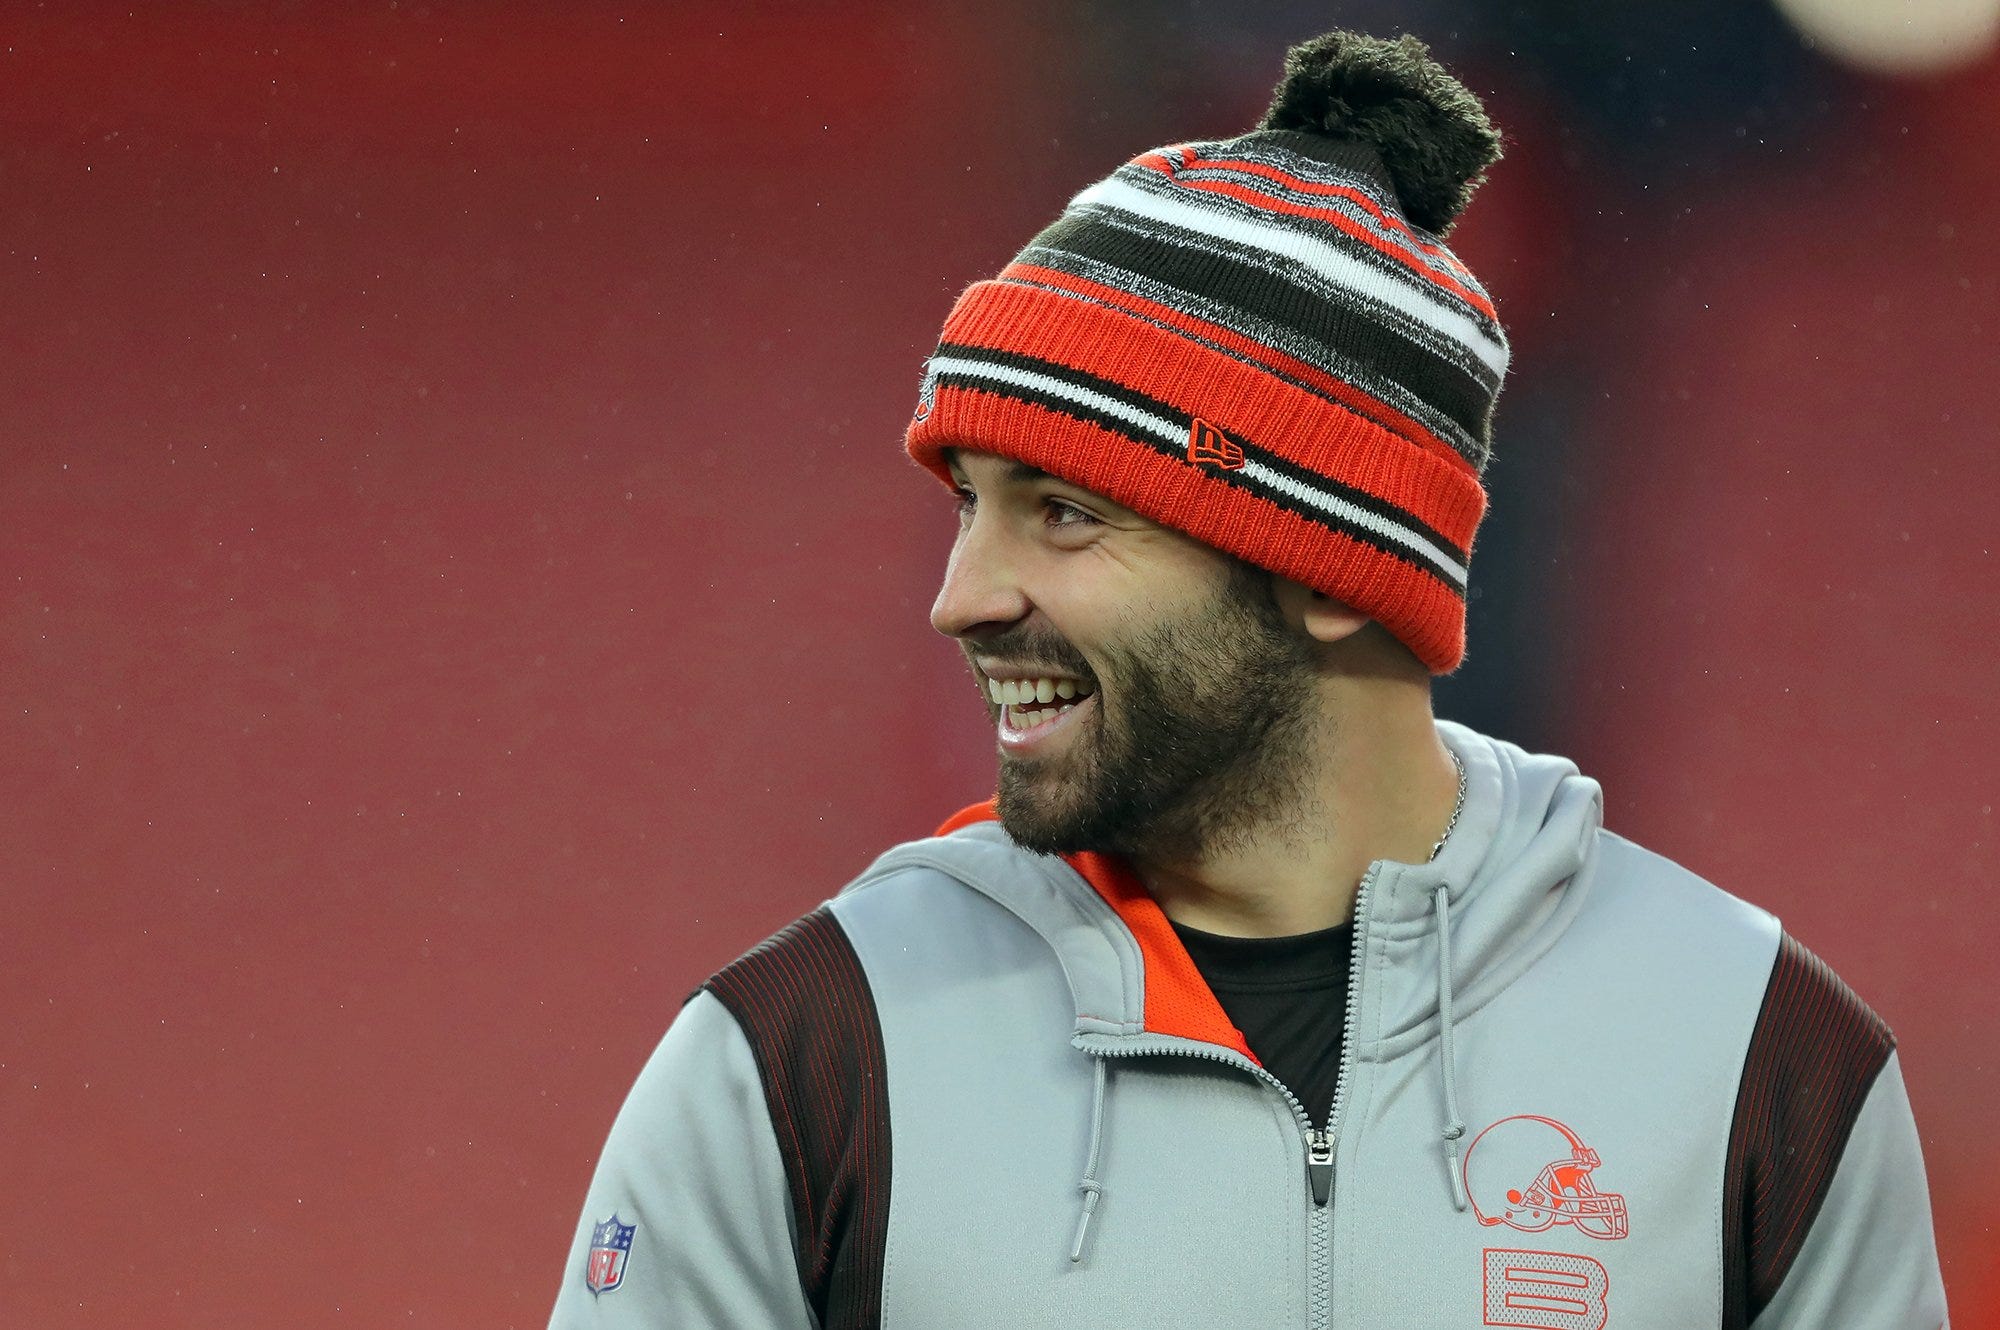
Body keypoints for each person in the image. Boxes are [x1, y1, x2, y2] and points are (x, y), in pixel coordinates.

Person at [548, 30, 1947, 1329]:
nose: (961, 598)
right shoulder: (801, 1061)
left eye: (1066, 512)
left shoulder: (1765, 1061)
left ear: (1334, 571)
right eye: (969, 503)